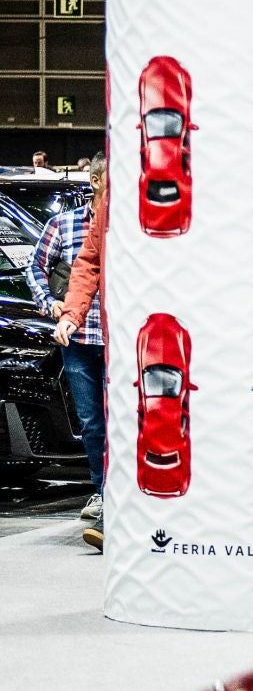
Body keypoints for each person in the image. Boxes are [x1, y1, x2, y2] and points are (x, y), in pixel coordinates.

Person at [35, 156, 105, 533]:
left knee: (124, 422)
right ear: (95, 180)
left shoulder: (131, 218)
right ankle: (104, 494)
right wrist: (56, 308)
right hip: (78, 339)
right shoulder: (64, 223)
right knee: (93, 423)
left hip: (119, 340)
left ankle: (121, 499)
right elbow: (47, 268)